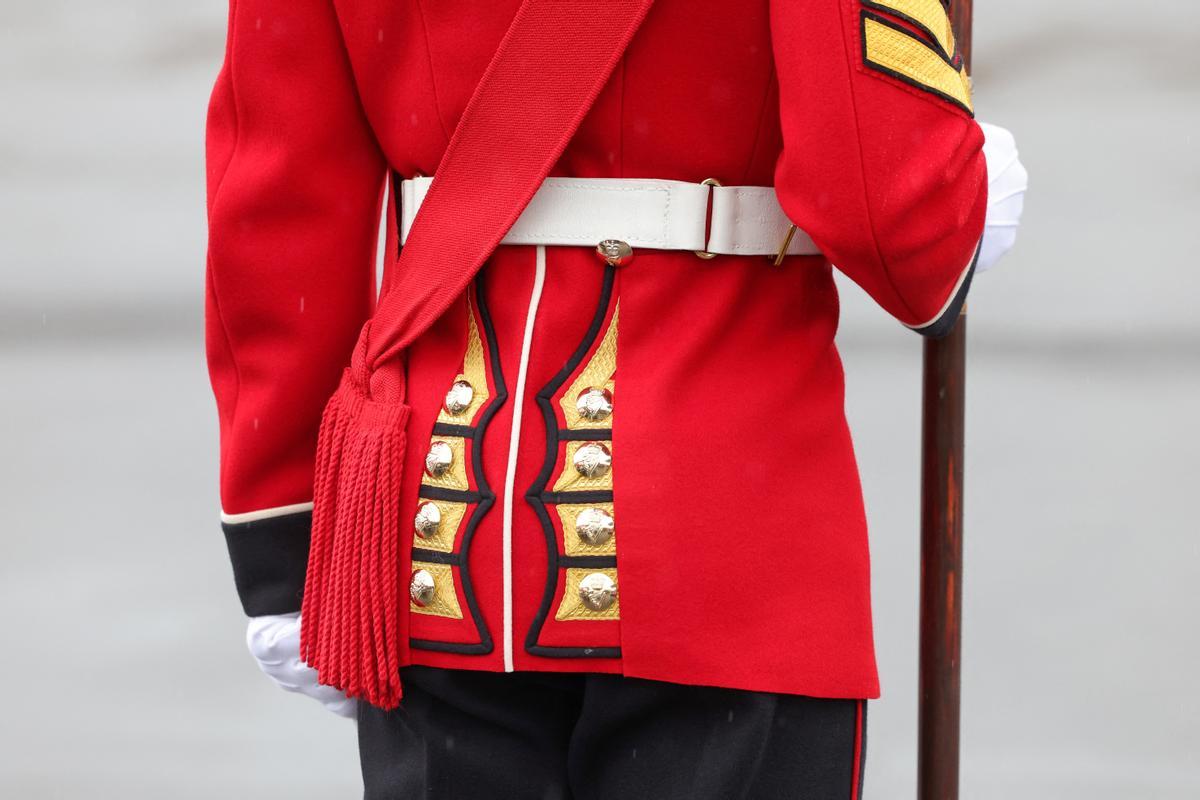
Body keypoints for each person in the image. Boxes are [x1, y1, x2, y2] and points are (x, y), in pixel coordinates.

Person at [205, 0, 1027, 797]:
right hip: (726, 531)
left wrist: (284, 537)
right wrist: (963, 194)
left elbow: (277, 198)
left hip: (443, 539)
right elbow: (883, 203)